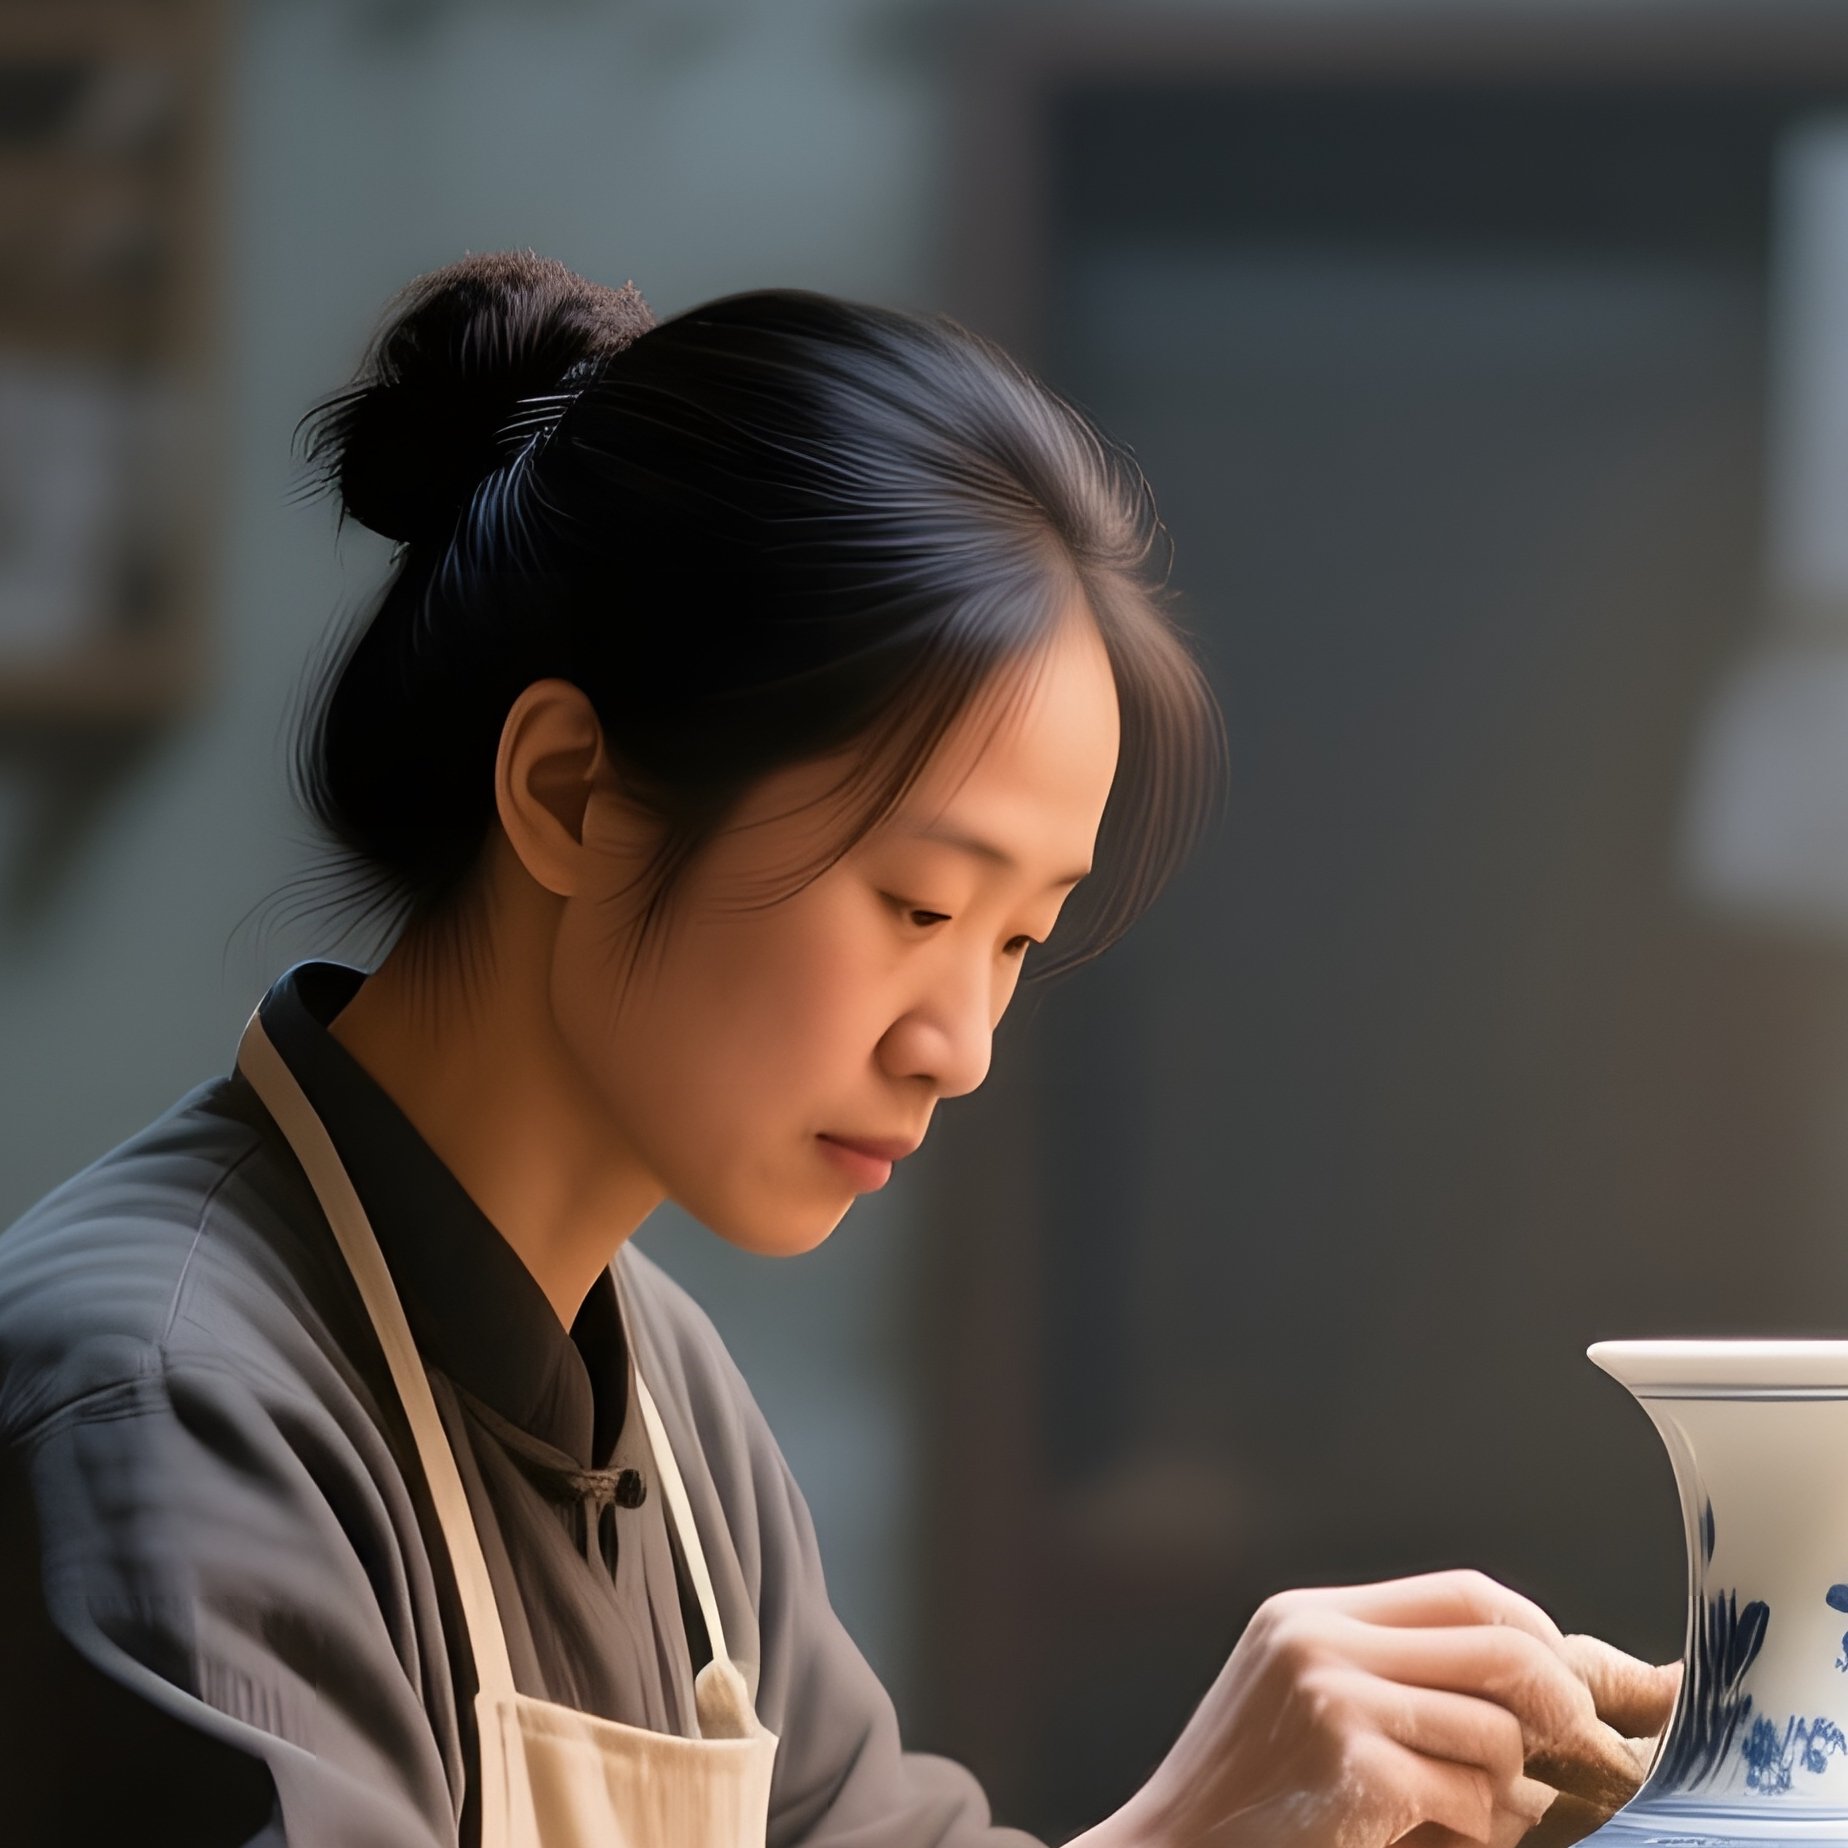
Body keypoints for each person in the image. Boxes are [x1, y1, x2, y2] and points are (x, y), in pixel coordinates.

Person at [0, 252, 1678, 1848]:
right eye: (920, 905)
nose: (964, 1046)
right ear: (569, 792)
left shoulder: (668, 1411)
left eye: (1019, 940)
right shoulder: (167, 1407)